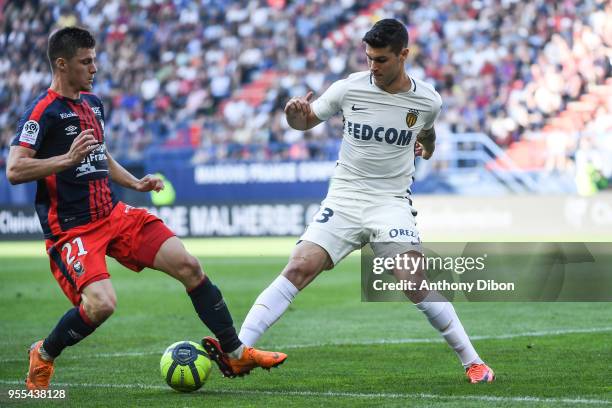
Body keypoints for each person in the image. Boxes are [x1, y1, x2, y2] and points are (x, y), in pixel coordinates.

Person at [207, 19, 495, 384]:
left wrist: (427, 147)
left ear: (403, 55)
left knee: (413, 279)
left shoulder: (427, 100)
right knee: (298, 267)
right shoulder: (349, 88)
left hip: (390, 201)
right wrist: (294, 116)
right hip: (345, 196)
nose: (373, 67)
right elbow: (306, 120)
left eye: (381, 59)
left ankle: (474, 362)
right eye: (369, 58)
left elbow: (428, 133)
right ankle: (239, 353)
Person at [7, 27, 286, 390]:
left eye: (94, 60)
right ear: (61, 64)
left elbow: (100, 155)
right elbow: (15, 169)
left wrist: (134, 183)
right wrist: (66, 159)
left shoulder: (92, 103)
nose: (95, 68)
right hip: (72, 229)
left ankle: (234, 354)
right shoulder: (41, 112)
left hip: (112, 214)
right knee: (101, 305)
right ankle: (44, 353)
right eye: (86, 61)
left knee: (189, 265)